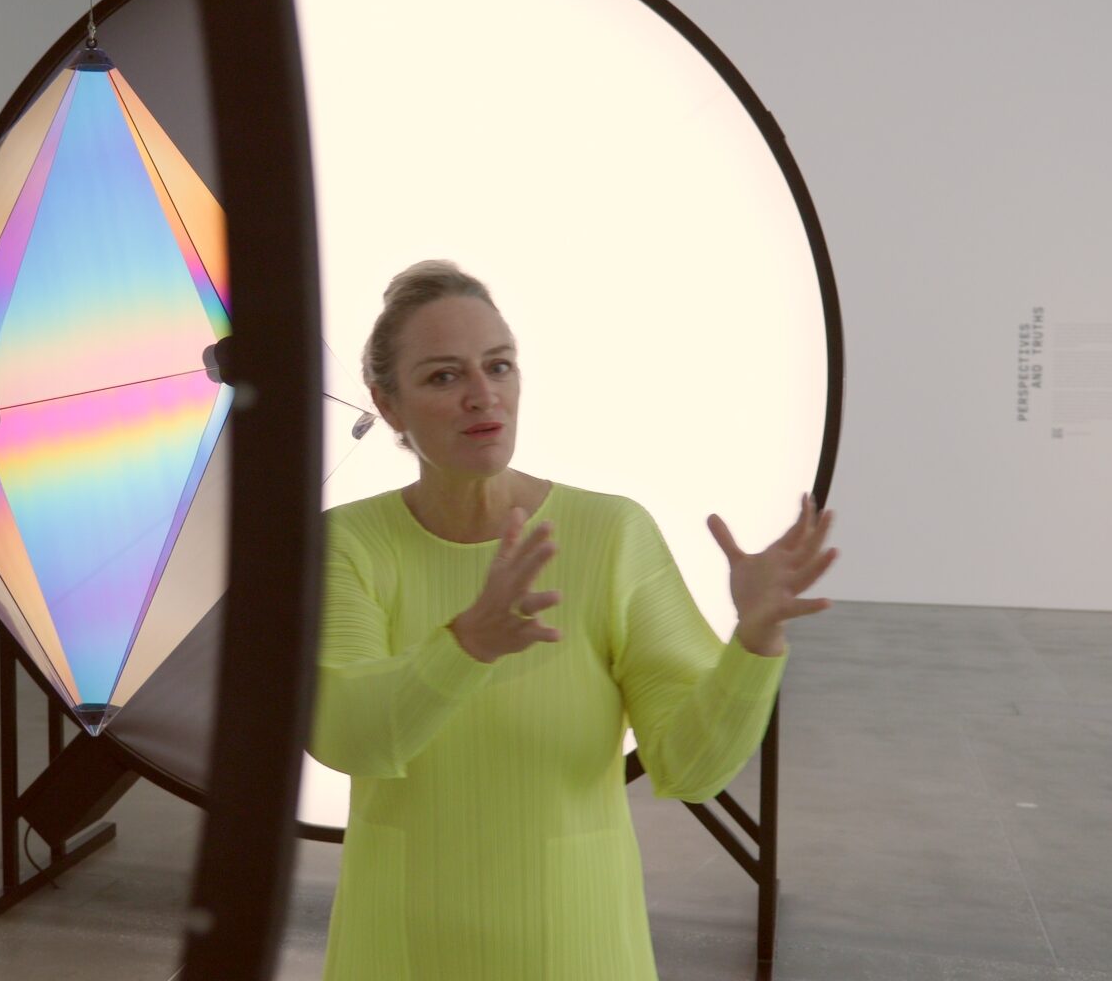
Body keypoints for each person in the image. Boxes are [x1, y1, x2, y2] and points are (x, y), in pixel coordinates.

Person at [310, 260, 838, 980]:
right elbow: (348, 735)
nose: (482, 394)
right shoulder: (346, 544)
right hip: (399, 946)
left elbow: (688, 766)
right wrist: (466, 647)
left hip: (576, 944)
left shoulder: (610, 534)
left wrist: (754, 640)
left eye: (499, 366)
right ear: (388, 403)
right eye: (443, 376)